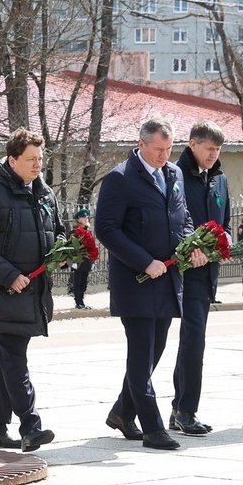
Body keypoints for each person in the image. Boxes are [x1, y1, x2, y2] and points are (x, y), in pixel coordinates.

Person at [0, 128, 61, 452]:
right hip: (2, 293)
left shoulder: (45, 194)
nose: (38, 165)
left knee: (4, 359)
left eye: (41, 159)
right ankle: (31, 425)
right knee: (14, 358)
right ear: (12, 159)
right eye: (31, 159)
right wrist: (8, 275)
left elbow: (57, 232)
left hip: (32, 292)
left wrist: (62, 253)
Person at [96, 119, 191, 449]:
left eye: (169, 149)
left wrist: (193, 245)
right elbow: (107, 229)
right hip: (137, 281)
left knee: (155, 351)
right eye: (159, 149)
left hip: (167, 279)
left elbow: (182, 216)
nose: (165, 155)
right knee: (140, 355)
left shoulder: (174, 174)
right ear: (141, 144)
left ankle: (123, 411)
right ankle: (152, 427)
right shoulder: (120, 179)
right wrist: (143, 261)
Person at [171, 121, 229, 433]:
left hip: (209, 272)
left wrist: (227, 241)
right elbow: (174, 220)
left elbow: (226, 221)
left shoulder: (219, 179)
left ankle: (177, 408)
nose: (213, 155)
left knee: (193, 341)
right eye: (208, 148)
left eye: (217, 150)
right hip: (184, 271)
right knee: (194, 342)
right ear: (193, 144)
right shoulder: (176, 176)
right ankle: (186, 411)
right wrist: (191, 246)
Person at [67, 206, 93, 309]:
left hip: (86, 260)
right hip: (78, 260)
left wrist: (92, 260)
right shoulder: (75, 232)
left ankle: (81, 301)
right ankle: (79, 302)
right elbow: (73, 247)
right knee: (78, 281)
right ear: (78, 219)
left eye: (87, 217)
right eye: (83, 217)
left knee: (84, 282)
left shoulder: (87, 230)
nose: (86, 219)